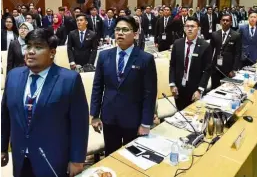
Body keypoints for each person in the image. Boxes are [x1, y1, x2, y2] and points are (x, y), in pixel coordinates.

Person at [1, 28, 89, 177]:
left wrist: (77, 159)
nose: (30, 51)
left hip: (52, 157)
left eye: (38, 47)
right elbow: (5, 115)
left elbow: (79, 124)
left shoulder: (69, 80)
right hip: (20, 156)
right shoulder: (13, 76)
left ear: (52, 52)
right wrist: (3, 147)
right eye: (28, 46)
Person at [91, 16, 157, 156]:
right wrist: (95, 115)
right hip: (109, 118)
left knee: (132, 157)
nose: (120, 33)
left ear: (135, 34)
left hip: (133, 119)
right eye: (118, 29)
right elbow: (97, 87)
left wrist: (146, 123)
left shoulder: (145, 59)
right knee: (111, 155)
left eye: (125, 30)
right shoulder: (104, 56)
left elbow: (149, 94)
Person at [169, 17, 212, 110]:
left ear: (198, 28)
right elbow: (172, 65)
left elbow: (207, 70)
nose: (189, 29)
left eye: (192, 26)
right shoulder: (177, 43)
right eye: (187, 26)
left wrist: (200, 90)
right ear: (184, 28)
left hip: (195, 89)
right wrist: (172, 84)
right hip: (179, 88)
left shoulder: (205, 45)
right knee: (180, 115)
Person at [210, 14, 241, 89]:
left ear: (231, 22)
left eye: (227, 20)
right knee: (214, 88)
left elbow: (238, 53)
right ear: (220, 22)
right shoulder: (214, 34)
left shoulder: (236, 35)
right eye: (223, 20)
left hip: (228, 68)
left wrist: (234, 69)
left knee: (227, 89)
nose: (225, 22)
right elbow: (210, 51)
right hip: (216, 67)